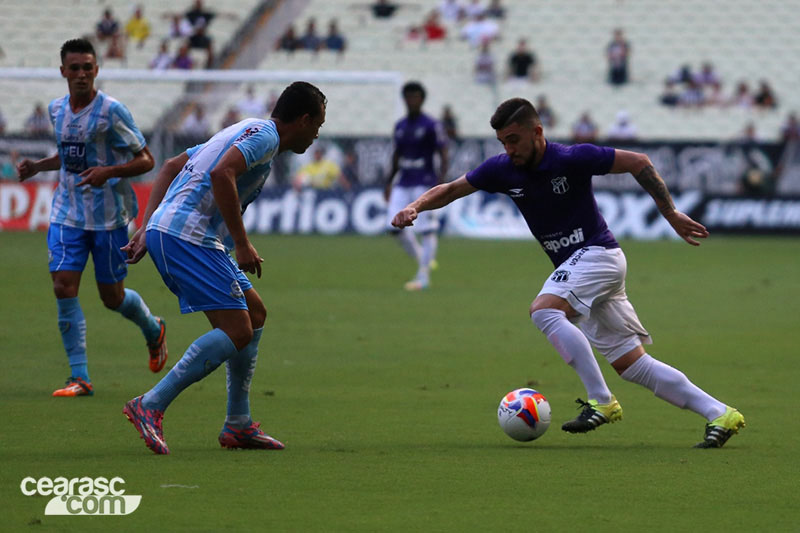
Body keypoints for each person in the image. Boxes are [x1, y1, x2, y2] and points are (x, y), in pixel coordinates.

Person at [391, 97, 745, 448]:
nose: (509, 149)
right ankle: (720, 413)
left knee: (544, 310)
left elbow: (639, 161)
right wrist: (415, 205)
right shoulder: (502, 169)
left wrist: (670, 213)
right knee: (632, 365)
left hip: (599, 255)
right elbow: (452, 188)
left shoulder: (572, 158)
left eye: (514, 139)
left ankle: (601, 401)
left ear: (538, 132)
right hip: (581, 269)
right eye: (503, 142)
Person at [120, 81, 327, 454]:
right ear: (303, 119)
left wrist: (146, 227)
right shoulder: (264, 136)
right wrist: (243, 241)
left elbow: (170, 167)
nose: (316, 136)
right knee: (236, 328)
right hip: (188, 236)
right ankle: (150, 404)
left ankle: (238, 424)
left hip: (179, 233)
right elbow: (221, 175)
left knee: (255, 314)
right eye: (318, 126)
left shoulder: (245, 128)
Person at [15, 39, 166, 397]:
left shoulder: (112, 111)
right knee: (63, 287)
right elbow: (70, 157)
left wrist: (109, 171)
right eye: (75, 67)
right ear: (63, 71)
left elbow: (147, 160)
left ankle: (152, 327)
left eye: (88, 67)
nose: (81, 74)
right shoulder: (56, 110)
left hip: (109, 218)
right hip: (66, 213)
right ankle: (79, 376)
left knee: (111, 297)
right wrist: (39, 166)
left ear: (96, 70)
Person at [384, 82, 449, 291]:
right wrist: (389, 182)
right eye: (408, 97)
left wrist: (441, 181)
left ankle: (423, 277)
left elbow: (443, 152)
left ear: (422, 99)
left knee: (427, 230)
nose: (411, 101)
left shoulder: (431, 125)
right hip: (403, 181)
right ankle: (424, 258)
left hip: (424, 181)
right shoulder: (400, 126)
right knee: (393, 227)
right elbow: (396, 155)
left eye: (415, 97)